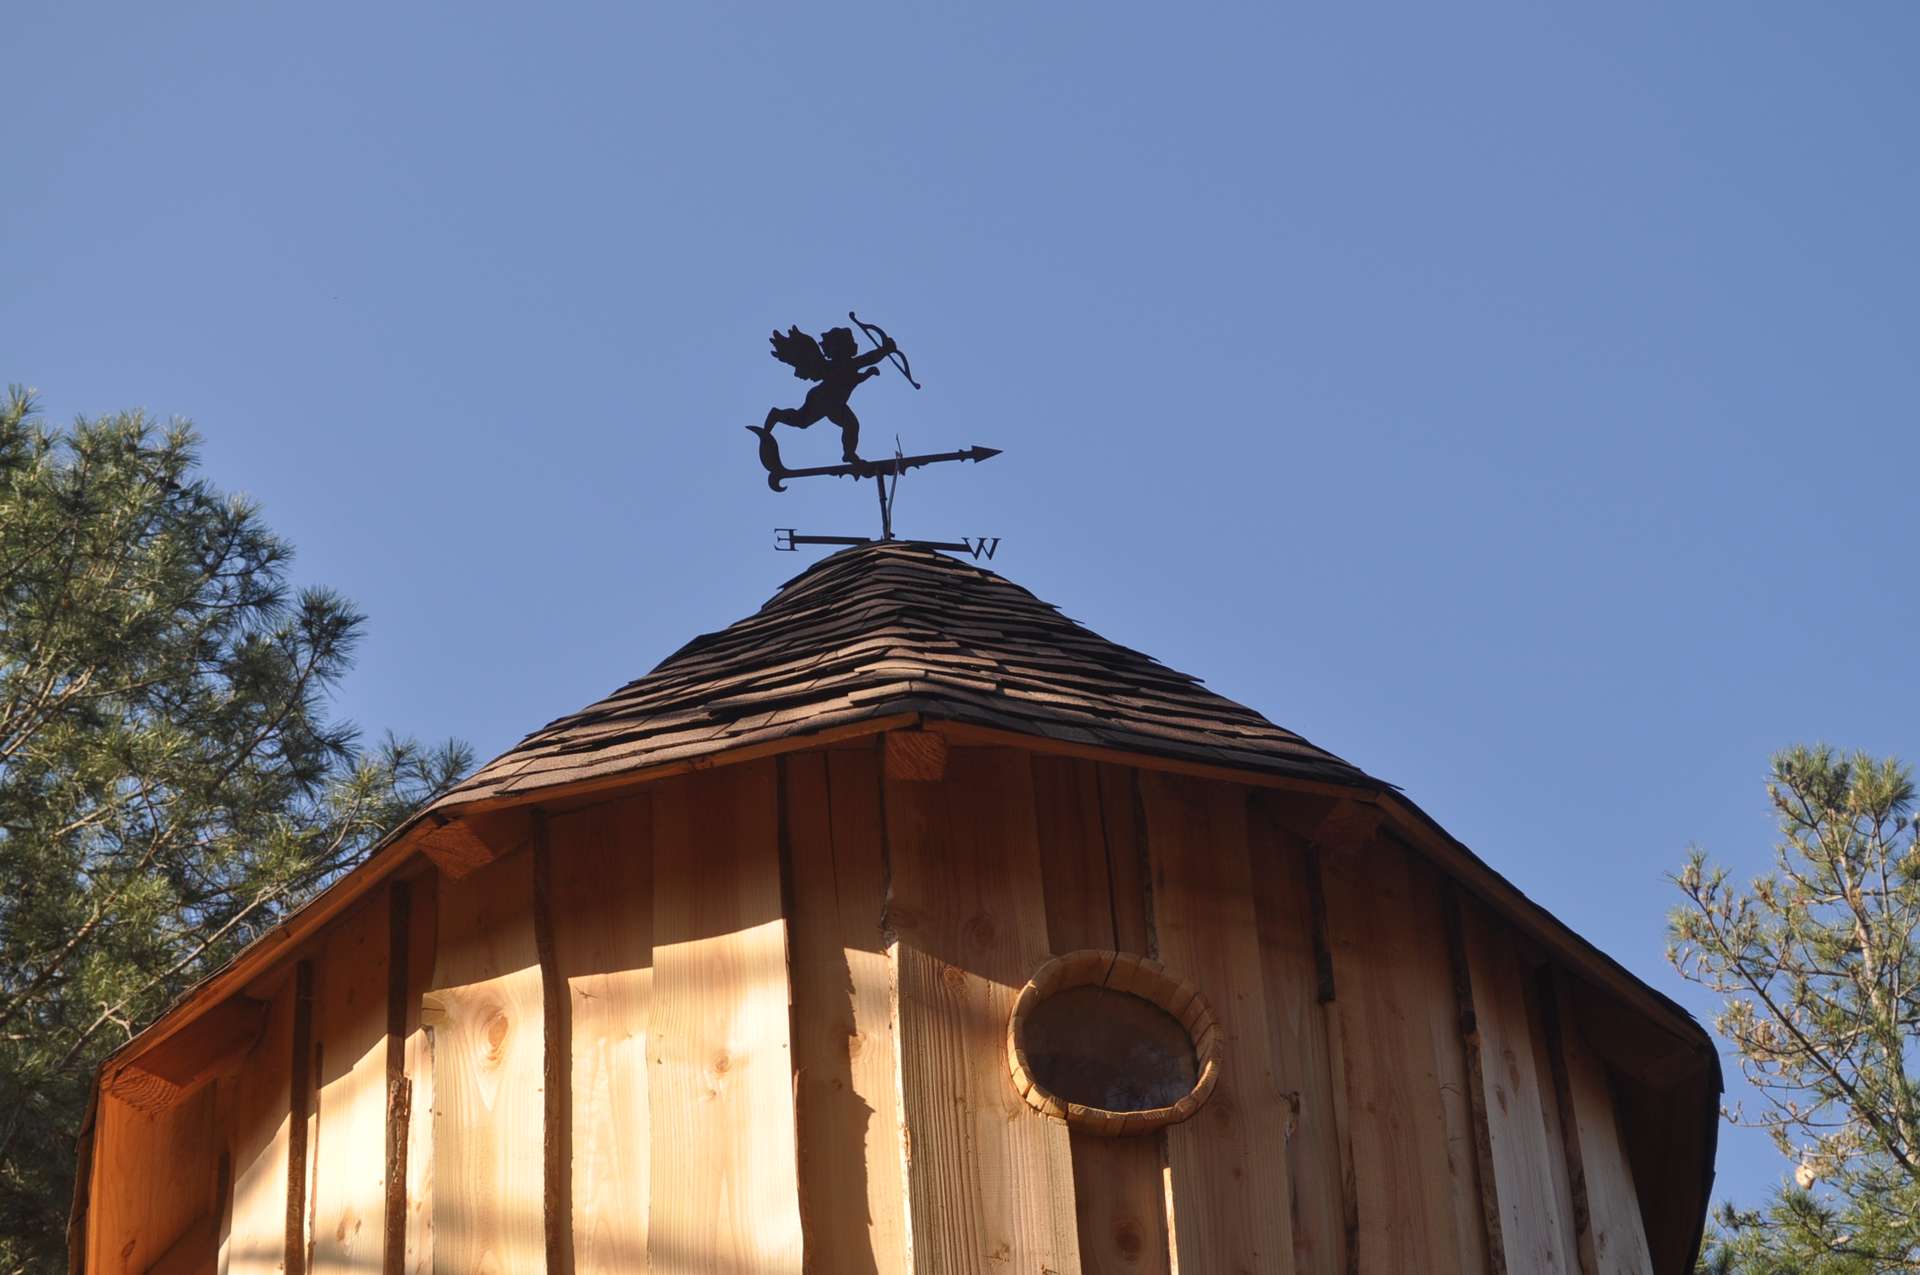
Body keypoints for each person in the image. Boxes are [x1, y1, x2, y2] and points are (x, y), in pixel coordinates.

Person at [764, 324, 896, 462]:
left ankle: (849, 453)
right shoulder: (838, 365)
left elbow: (859, 372)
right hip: (823, 399)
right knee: (804, 421)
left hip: (834, 403)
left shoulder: (850, 365)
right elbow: (870, 359)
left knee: (848, 424)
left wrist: (873, 368)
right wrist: (885, 350)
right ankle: (777, 415)